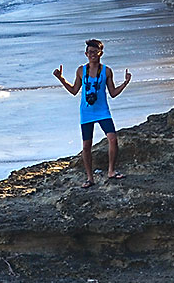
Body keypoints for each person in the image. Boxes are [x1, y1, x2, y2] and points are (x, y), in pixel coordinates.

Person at [53, 39, 131, 188]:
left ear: (100, 53)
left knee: (113, 139)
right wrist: (61, 79)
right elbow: (74, 91)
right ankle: (90, 178)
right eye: (89, 52)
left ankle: (111, 171)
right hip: (86, 112)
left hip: (103, 111)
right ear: (85, 54)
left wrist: (125, 83)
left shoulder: (107, 71)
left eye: (95, 52)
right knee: (86, 146)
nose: (92, 55)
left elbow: (113, 93)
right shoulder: (80, 70)